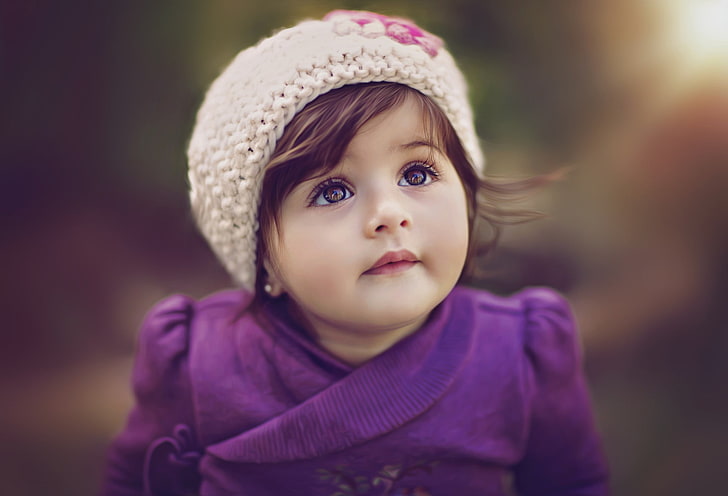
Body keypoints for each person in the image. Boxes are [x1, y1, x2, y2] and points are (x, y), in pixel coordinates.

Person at [101, 10, 609, 496]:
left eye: (417, 174)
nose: (388, 213)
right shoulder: (199, 364)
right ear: (263, 257)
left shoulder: (519, 356)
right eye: (331, 192)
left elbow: (571, 484)